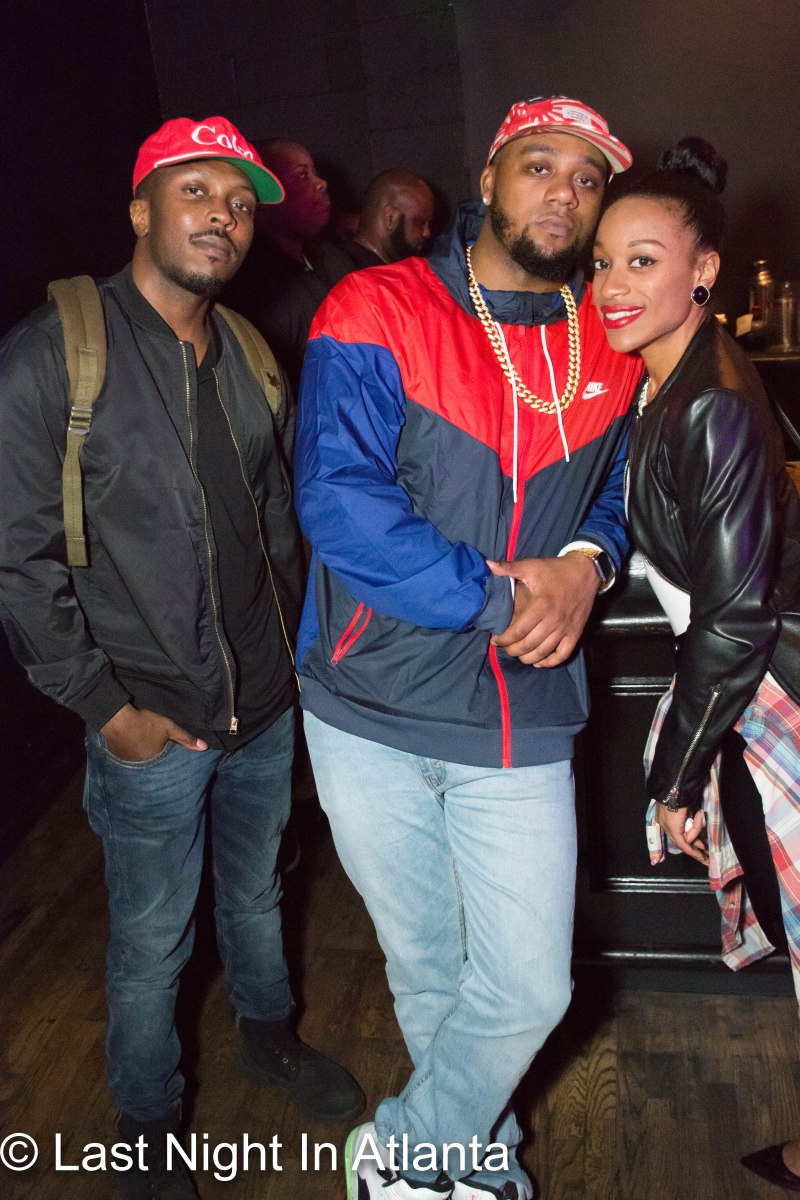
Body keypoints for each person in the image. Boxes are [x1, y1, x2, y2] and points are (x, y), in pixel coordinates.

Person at [0, 116, 363, 1200]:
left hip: (265, 703)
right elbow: (16, 561)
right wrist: (106, 710)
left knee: (255, 894)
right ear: (140, 210)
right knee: (152, 939)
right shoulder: (54, 354)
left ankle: (267, 1033)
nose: (223, 216)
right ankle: (147, 1122)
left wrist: (301, 662)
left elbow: (280, 527)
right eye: (196, 191)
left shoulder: (248, 352)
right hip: (150, 718)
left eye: (240, 202)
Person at [294, 96, 643, 1200]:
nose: (563, 193)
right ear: (487, 180)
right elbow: (338, 501)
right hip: (368, 701)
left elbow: (623, 489)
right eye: (539, 166)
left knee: (529, 986)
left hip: (519, 710)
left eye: (587, 178)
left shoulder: (612, 339)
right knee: (427, 968)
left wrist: (587, 561)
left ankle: (405, 1152)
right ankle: (472, 1162)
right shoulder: (376, 305)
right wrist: (498, 599)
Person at [591, 138, 800, 1192]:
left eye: (642, 260)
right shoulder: (674, 376)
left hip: (769, 698)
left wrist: (674, 775)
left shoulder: (707, 400)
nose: (612, 285)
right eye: (602, 262)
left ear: (703, 270)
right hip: (746, 690)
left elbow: (731, 620)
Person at [224, 137, 355, 394]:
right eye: (301, 175)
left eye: (315, 172)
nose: (321, 183)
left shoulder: (331, 257)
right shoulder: (251, 286)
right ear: (264, 197)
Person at [340, 168, 435, 268]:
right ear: (390, 218)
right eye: (419, 222)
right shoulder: (348, 268)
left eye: (429, 222)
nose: (427, 233)